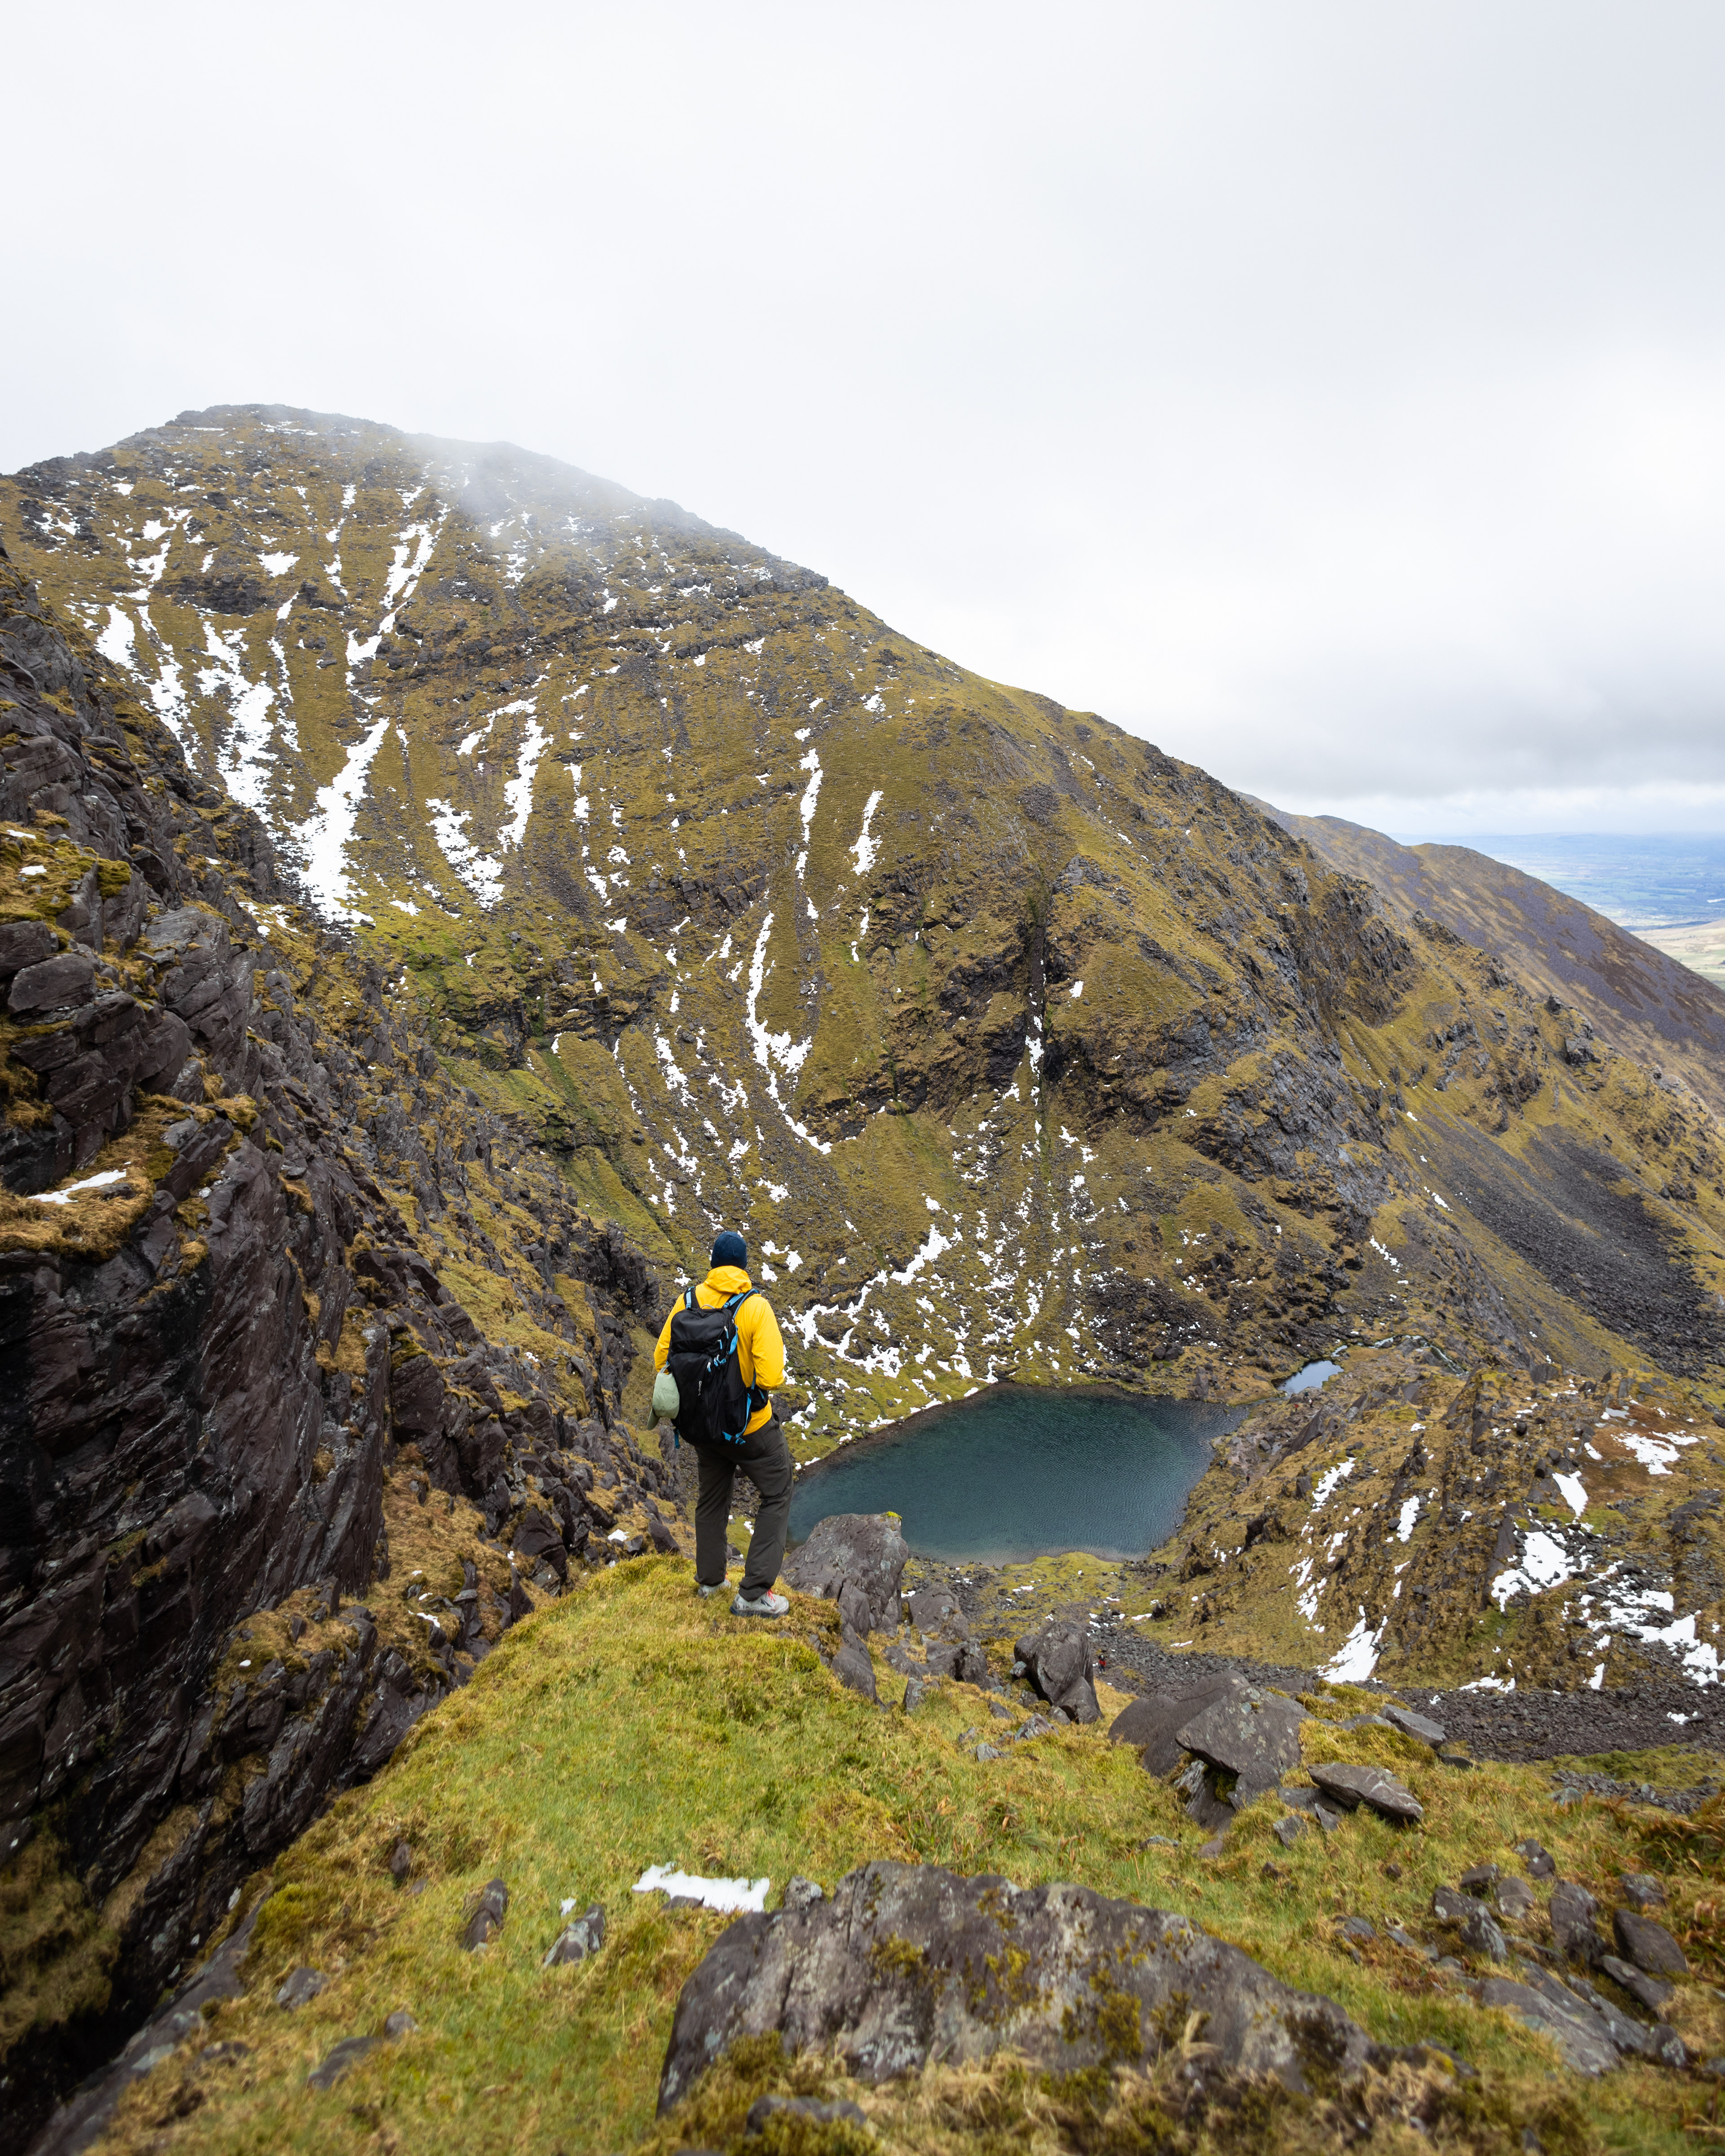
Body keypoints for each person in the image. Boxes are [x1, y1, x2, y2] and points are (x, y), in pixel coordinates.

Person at [654, 1230, 792, 1617]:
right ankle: (753, 1595)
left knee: (712, 1499)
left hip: (704, 1428)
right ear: (744, 1266)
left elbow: (661, 1359)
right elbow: (771, 1377)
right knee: (778, 1491)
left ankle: (712, 1582)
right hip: (750, 1428)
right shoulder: (754, 1306)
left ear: (713, 1264)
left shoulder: (687, 1302)